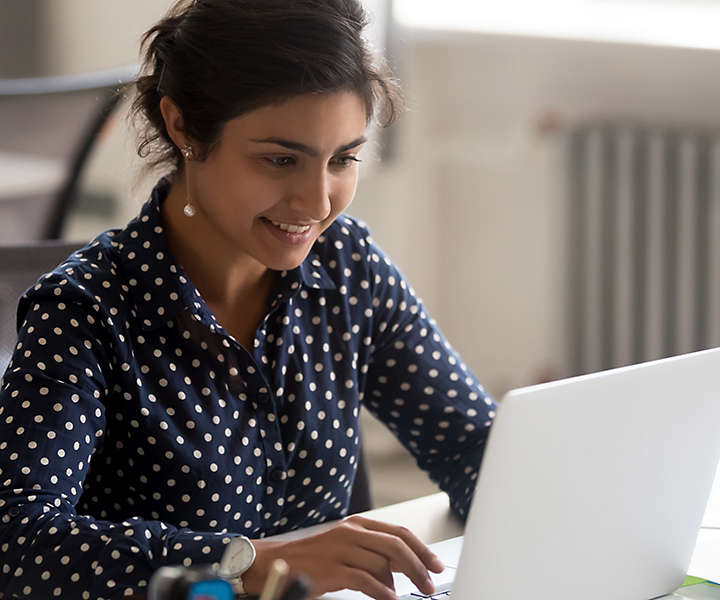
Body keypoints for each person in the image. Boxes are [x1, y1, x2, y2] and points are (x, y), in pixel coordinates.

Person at [0, 1, 496, 598]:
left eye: (342, 159)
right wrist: (246, 564)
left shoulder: (346, 266)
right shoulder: (85, 311)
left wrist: (556, 514)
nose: (317, 203)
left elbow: (471, 444)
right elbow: (18, 541)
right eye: (279, 160)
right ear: (183, 127)